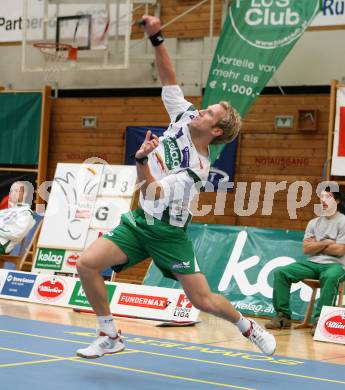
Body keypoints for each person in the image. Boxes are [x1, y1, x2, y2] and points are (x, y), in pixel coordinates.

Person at [76, 15, 276, 359]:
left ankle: (248, 326)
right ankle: (109, 334)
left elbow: (154, 191)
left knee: (203, 300)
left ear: (214, 131)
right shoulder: (184, 117)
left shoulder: (198, 169)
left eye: (208, 113)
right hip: (141, 222)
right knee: (87, 264)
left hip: (169, 233)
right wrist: (157, 37)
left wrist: (141, 161)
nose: (199, 110)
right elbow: (169, 79)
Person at [265, 187, 345, 333]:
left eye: (329, 197)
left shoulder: (343, 221)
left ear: (338, 201)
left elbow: (339, 250)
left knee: (330, 276)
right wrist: (328, 242)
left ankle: (321, 321)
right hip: (312, 263)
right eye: (322, 197)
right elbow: (306, 249)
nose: (323, 200)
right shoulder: (314, 222)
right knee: (281, 273)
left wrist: (316, 244)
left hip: (336, 265)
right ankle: (283, 317)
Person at [0, 181, 35, 255]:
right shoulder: (5, 211)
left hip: (2, 244)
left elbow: (16, 234)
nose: (13, 193)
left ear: (24, 194)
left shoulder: (26, 213)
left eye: (16, 191)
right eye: (11, 191)